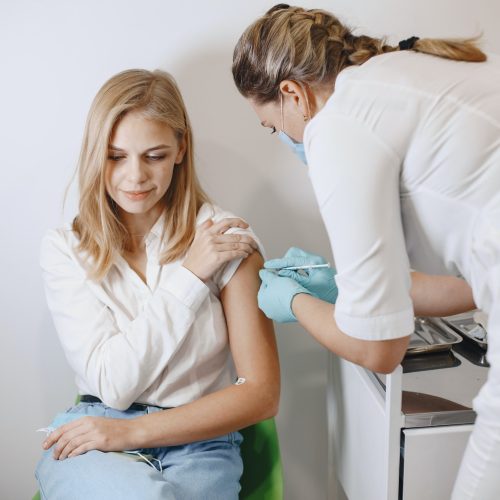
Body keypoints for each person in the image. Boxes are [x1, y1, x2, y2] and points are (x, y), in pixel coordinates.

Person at [232, 3, 500, 499]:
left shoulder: (337, 128)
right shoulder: (398, 73)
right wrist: (344, 287)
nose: (285, 139)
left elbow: (380, 350)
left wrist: (294, 302)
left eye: (273, 126)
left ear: (293, 94)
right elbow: (473, 283)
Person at [35, 69, 280, 500]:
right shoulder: (65, 250)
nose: (135, 177)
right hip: (94, 431)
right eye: (115, 156)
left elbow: (260, 394)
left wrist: (132, 433)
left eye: (154, 156)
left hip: (200, 444)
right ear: (96, 154)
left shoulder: (224, 239)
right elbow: (114, 385)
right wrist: (188, 279)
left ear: (181, 149)